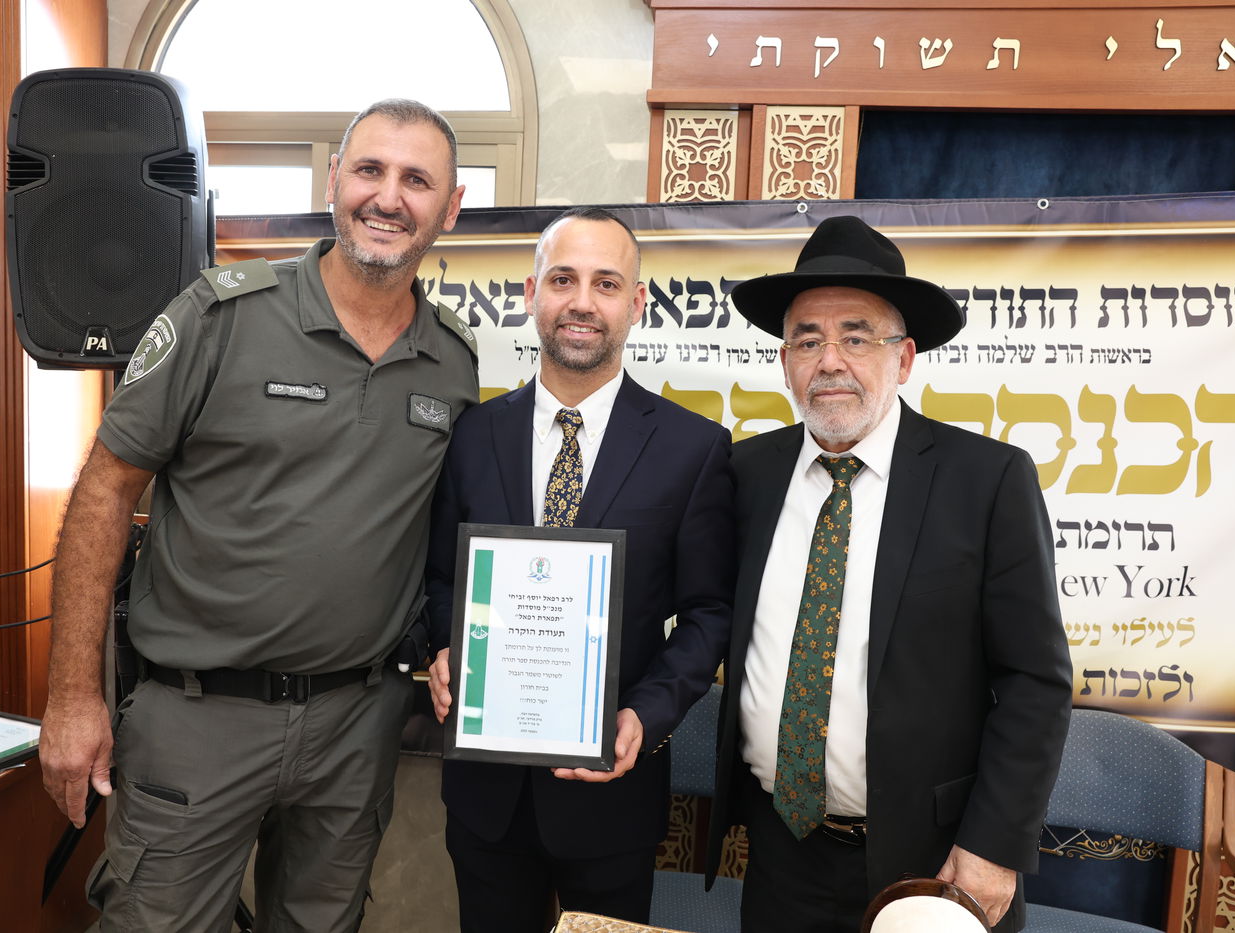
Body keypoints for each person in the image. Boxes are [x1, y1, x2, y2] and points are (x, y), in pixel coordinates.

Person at [39, 98, 478, 932]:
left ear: (450, 208)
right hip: (197, 716)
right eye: (370, 170)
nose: (389, 197)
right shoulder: (221, 315)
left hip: (355, 724)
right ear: (334, 180)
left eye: (417, 180)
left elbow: (443, 535)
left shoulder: (452, 362)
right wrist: (71, 697)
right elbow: (104, 490)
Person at [708, 215, 1072, 933]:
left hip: (935, 863)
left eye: (856, 337)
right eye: (807, 339)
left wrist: (993, 846)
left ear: (903, 358)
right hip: (780, 854)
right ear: (785, 360)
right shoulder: (745, 473)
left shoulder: (987, 480)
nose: (829, 361)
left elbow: (1034, 681)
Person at [425, 206, 735, 932]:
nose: (582, 302)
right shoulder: (472, 433)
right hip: (486, 795)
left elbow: (708, 613)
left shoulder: (692, 449)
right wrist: (443, 647)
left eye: (606, 283)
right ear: (531, 293)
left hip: (612, 792)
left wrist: (646, 715)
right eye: (563, 279)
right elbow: (439, 578)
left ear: (637, 303)